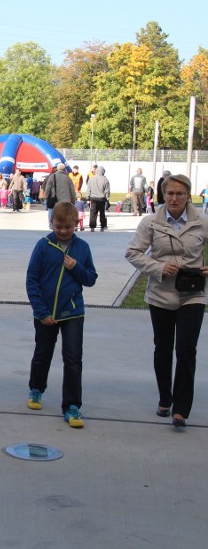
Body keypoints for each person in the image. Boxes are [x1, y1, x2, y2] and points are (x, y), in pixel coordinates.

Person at [125, 174, 207, 429]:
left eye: (180, 194)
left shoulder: (202, 222)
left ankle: (181, 409)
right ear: (164, 195)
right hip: (161, 294)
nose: (174, 198)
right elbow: (133, 253)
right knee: (163, 347)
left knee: (185, 350)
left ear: (188, 196)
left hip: (192, 294)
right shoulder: (150, 222)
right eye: (170, 193)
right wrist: (158, 267)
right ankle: (165, 398)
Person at [26, 202, 98, 429]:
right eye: (59, 226)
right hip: (46, 313)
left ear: (76, 224)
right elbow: (32, 280)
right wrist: (41, 311)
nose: (64, 231)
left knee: (73, 359)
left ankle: (72, 406)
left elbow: (91, 278)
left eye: (68, 227)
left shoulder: (82, 248)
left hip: (73, 312)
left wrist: (76, 267)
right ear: (52, 223)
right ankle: (37, 389)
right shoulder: (43, 246)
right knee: (42, 353)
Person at [41, 163, 77, 227]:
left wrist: (45, 196)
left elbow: (48, 187)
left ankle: (51, 225)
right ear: (64, 169)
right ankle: (63, 224)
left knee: (52, 212)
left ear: (57, 169)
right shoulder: (67, 178)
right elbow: (72, 190)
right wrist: (73, 200)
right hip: (65, 200)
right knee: (64, 213)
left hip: (54, 199)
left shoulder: (52, 176)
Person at [86, 165, 111, 232]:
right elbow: (107, 191)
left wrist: (88, 197)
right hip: (101, 199)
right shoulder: (105, 179)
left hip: (93, 198)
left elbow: (88, 189)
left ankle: (92, 227)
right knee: (102, 213)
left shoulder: (91, 179)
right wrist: (107, 199)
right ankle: (102, 226)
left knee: (93, 213)